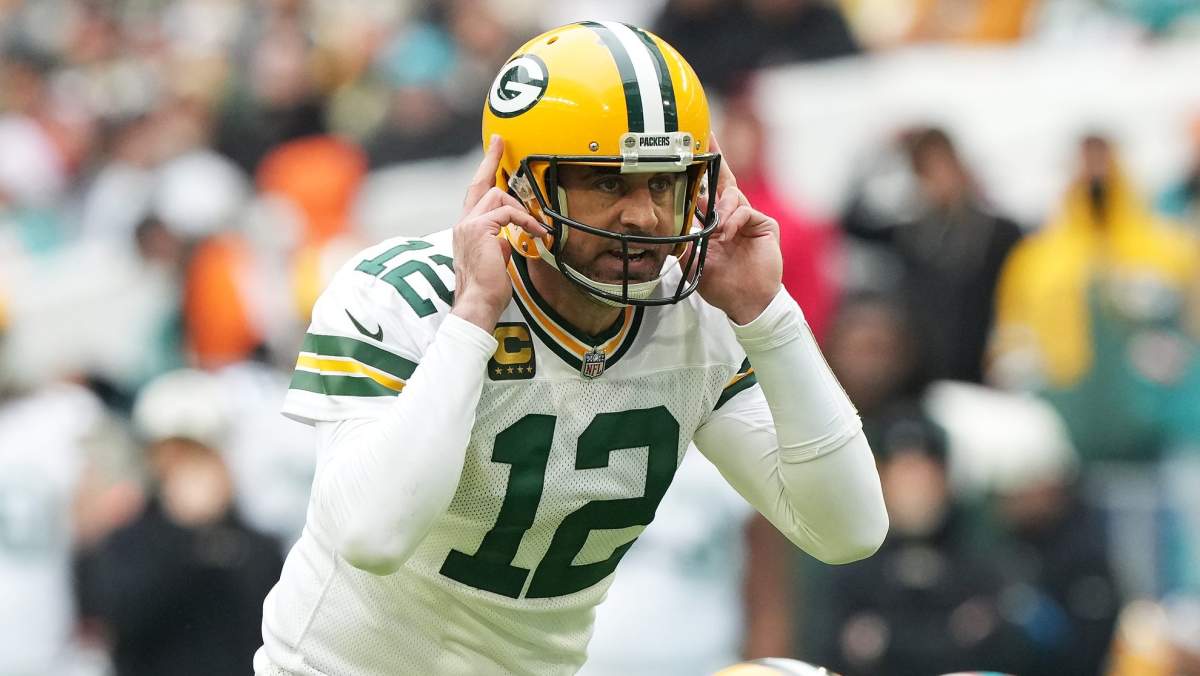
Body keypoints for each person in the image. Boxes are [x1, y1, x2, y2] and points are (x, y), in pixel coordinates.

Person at [255, 22, 887, 676]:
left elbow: (849, 530)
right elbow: (374, 537)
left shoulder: (697, 317)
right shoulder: (401, 295)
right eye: (608, 183)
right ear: (520, 187)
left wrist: (768, 314)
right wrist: (472, 318)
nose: (643, 216)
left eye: (663, 183)